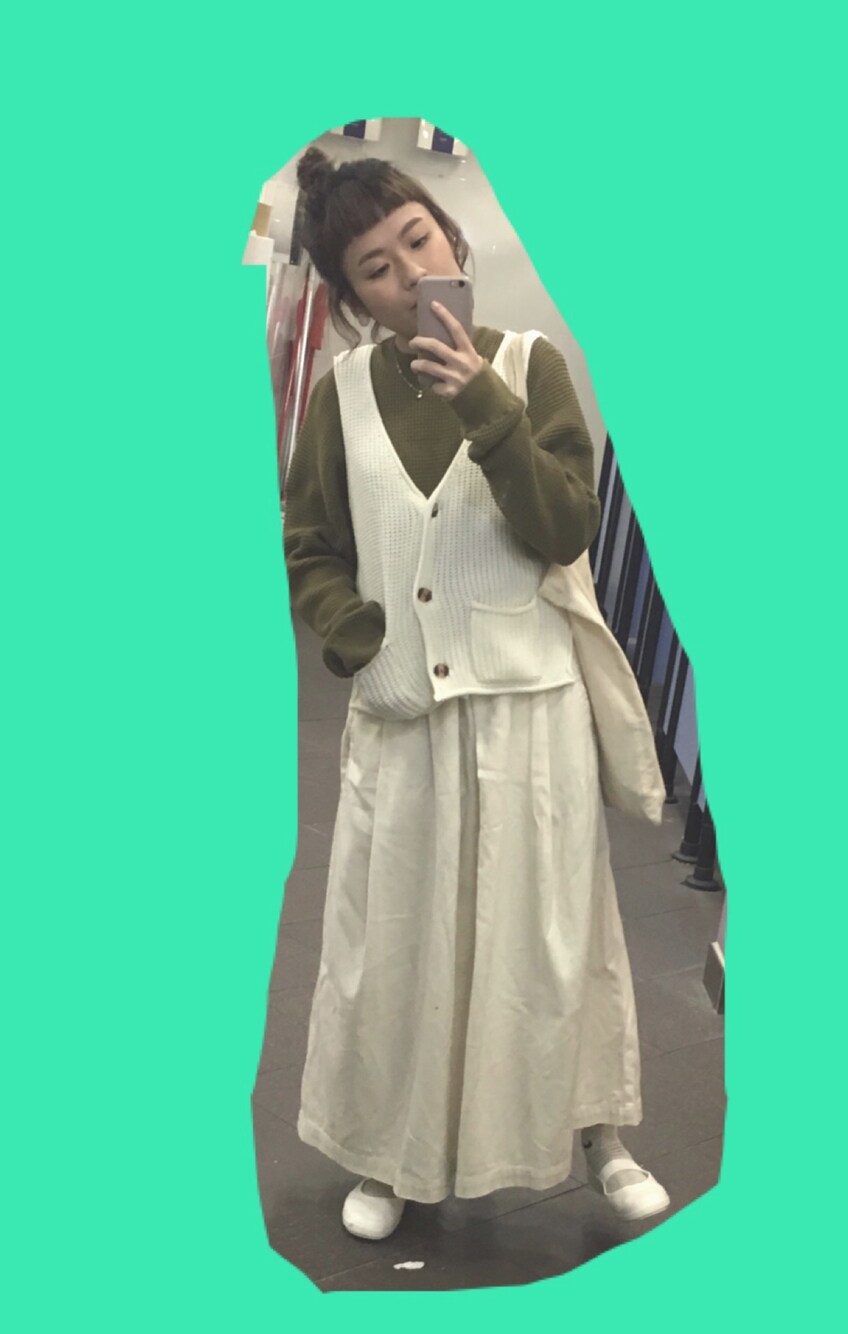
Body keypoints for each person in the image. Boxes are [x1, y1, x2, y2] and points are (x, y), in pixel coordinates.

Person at [281, 145, 669, 1242]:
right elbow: (310, 541)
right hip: (402, 718)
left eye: (418, 241)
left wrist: (487, 407)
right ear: (353, 298)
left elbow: (564, 527)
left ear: (451, 240)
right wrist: (353, 632)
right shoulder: (342, 396)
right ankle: (388, 1150)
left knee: (550, 942)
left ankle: (600, 1136)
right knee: (394, 946)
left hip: (528, 709)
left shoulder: (532, 367)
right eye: (375, 268)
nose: (409, 274)